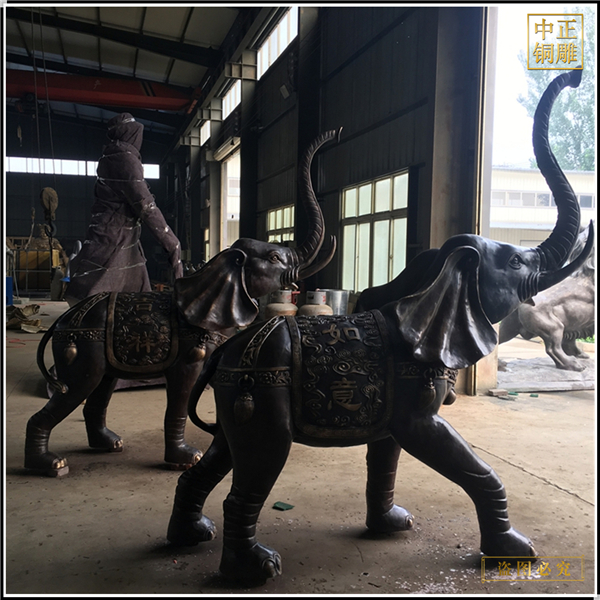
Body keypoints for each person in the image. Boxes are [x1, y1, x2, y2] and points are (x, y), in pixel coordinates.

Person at [65, 112, 182, 306]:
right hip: (115, 239)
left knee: (138, 299)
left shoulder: (109, 156)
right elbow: (145, 205)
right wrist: (171, 240)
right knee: (94, 300)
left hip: (118, 236)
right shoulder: (125, 159)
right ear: (132, 134)